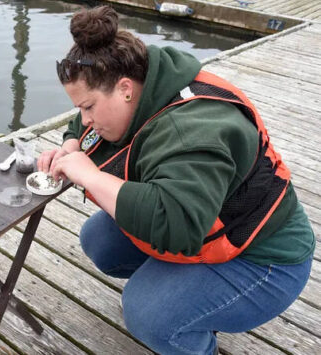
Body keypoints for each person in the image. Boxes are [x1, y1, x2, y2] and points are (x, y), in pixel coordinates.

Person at [38, 6, 314, 355]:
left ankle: (187, 327)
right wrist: (70, 144)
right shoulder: (143, 80)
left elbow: (177, 225)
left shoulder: (192, 133)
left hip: (266, 260)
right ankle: (183, 296)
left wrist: (89, 175)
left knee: (148, 315)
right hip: (215, 226)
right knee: (100, 239)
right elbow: (83, 126)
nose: (85, 119)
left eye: (88, 107)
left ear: (124, 89)